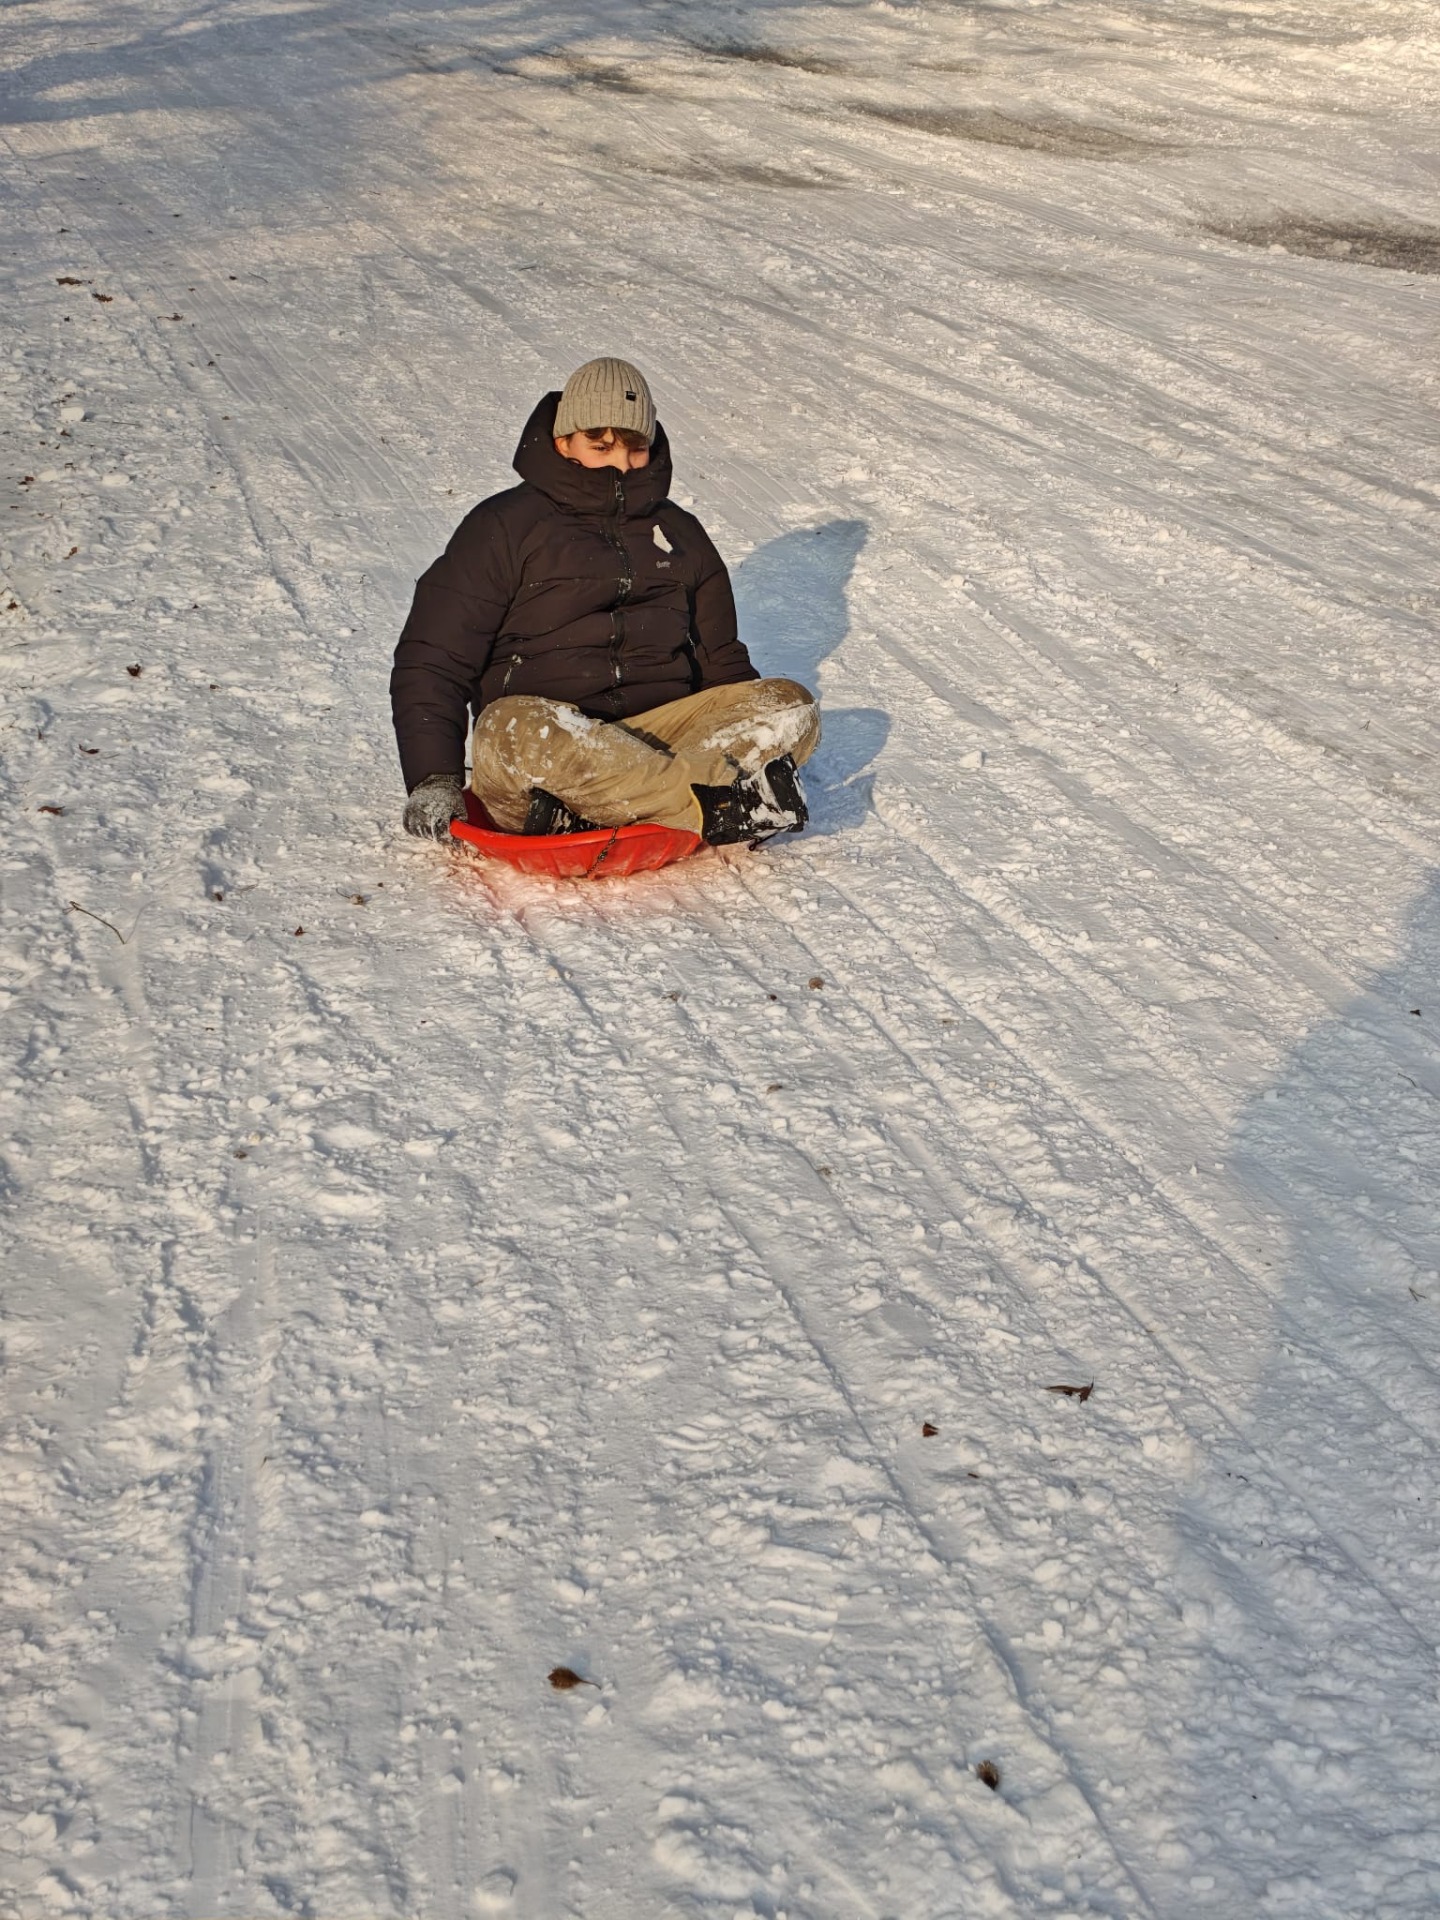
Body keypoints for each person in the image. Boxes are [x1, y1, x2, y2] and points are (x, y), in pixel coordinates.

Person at [392, 357, 820, 846]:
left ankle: (631, 809)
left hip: (655, 739)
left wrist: (743, 722)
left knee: (790, 706)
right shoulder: (503, 527)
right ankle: (715, 804)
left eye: (636, 448)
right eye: (601, 447)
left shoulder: (680, 534)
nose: (621, 463)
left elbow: (719, 661)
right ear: (563, 442)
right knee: (509, 728)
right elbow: (434, 659)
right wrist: (434, 778)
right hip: (550, 756)